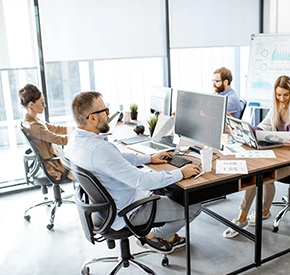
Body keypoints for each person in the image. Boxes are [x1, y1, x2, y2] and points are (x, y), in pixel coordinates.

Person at [66, 91, 202, 253]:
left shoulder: (75, 142)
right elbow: (142, 180)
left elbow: (117, 157)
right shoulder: (100, 149)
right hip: (129, 210)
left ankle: (158, 234)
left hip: (106, 209)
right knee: (193, 206)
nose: (109, 114)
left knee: (167, 189)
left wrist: (149, 158)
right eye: (105, 111)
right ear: (92, 118)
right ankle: (153, 236)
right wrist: (181, 173)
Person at [223, 75, 290, 238]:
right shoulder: (277, 106)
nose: (282, 99)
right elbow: (262, 127)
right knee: (255, 172)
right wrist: (243, 129)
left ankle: (261, 212)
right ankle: (244, 216)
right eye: (278, 95)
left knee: (264, 174)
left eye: (285, 95)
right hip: (280, 153)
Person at [18, 83, 72, 181]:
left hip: (55, 157)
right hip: (53, 164)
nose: (45, 105)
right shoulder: (34, 126)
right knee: (86, 175)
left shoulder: (33, 121)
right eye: (42, 102)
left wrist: (75, 129)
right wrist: (82, 136)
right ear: (31, 104)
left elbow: (55, 128)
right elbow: (59, 140)